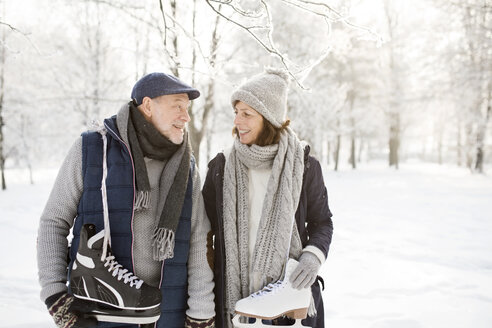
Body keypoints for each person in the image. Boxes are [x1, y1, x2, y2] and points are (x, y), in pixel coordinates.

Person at [37, 72, 215, 328]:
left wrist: (200, 314)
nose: (185, 116)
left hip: (167, 314)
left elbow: (199, 239)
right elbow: (54, 221)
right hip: (99, 313)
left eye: (186, 108)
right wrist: (55, 295)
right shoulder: (91, 150)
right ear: (148, 105)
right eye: (177, 105)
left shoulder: (185, 167)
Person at [202, 68, 334, 328]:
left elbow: (322, 222)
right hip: (234, 304)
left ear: (269, 118)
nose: (238, 122)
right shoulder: (221, 167)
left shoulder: (305, 166)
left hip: (290, 300)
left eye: (247, 114)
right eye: (236, 113)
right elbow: (203, 232)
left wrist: (312, 257)